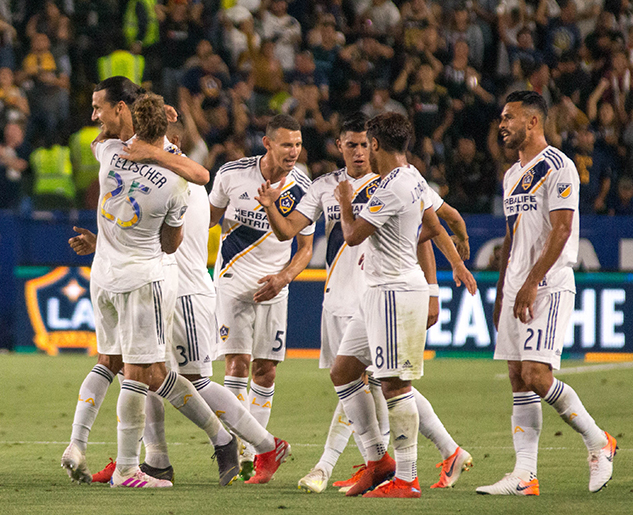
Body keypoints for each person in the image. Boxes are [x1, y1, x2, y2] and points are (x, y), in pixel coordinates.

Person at [269, 114, 474, 494]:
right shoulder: (410, 176)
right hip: (370, 296)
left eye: (367, 143)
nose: (362, 150)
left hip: (394, 292)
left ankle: (406, 477)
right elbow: (433, 222)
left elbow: (353, 234)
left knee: (393, 384)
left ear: (376, 145)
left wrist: (346, 202)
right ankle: (380, 460)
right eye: (353, 144)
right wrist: (458, 262)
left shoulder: (390, 188)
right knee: (345, 372)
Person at [60, 77, 245, 489]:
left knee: (117, 364)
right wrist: (157, 150)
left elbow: (113, 142)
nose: (96, 118)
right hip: (145, 281)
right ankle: (130, 468)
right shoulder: (178, 183)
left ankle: (80, 445)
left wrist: (144, 146)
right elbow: (175, 230)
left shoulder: (107, 151)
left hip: (104, 277)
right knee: (141, 373)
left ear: (124, 112)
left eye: (99, 109)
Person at [478, 91, 617, 496]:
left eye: (509, 118)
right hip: (518, 287)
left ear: (533, 122)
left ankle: (598, 441)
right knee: (518, 379)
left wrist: (532, 282)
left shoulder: (559, 166)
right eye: (502, 119)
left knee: (537, 375)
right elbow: (511, 238)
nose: (502, 125)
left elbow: (561, 230)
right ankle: (525, 476)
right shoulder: (511, 175)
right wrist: (503, 290)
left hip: (549, 284)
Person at [207, 114, 313, 482]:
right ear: (267, 144)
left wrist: (283, 278)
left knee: (265, 370)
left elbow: (305, 248)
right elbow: (206, 219)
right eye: (287, 145)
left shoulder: (304, 188)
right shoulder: (232, 174)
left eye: (298, 145)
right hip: (232, 280)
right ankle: (238, 451)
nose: (294, 152)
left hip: (274, 286)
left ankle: (258, 456)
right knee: (236, 365)